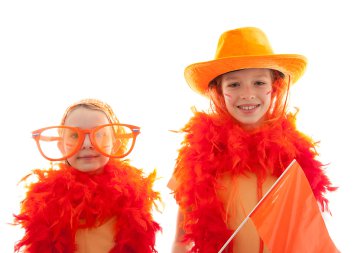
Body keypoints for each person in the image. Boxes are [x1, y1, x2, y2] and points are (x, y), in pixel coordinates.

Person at [168, 27, 336, 253]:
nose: (247, 94)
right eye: (234, 84)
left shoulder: (293, 156)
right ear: (219, 91)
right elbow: (181, 240)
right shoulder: (196, 158)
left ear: (274, 87)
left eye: (259, 83)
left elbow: (308, 235)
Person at [14, 98, 161, 253]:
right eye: (75, 136)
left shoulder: (133, 200)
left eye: (99, 135)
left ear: (114, 145)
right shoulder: (45, 203)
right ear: (62, 147)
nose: (87, 144)